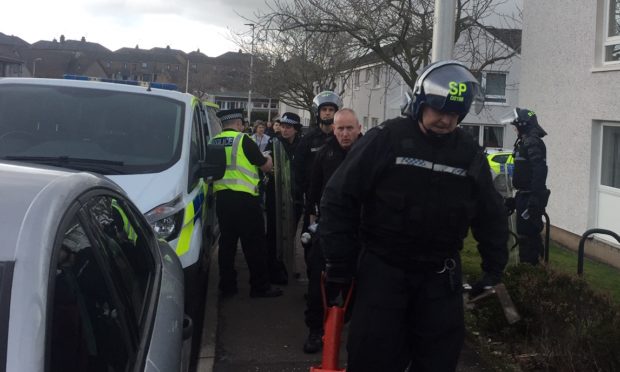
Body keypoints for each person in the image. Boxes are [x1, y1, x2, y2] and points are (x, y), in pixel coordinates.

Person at [319, 60, 509, 371]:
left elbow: (490, 213)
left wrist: (493, 268)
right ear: (421, 103)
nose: (446, 120)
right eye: (439, 110)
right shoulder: (386, 139)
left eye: (454, 114)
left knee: (439, 359)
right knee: (374, 357)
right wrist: (339, 264)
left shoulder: (468, 153)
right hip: (384, 271)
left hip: (438, 277)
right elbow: (339, 198)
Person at [303, 108, 362, 353]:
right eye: (340, 129)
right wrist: (310, 222)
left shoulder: (370, 152)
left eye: (350, 128)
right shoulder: (325, 153)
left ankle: (350, 325)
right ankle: (316, 330)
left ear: (358, 128)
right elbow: (314, 188)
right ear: (334, 129)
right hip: (329, 229)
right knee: (319, 285)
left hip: (361, 230)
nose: (345, 134)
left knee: (359, 286)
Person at [210, 108, 283, 298]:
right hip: (245, 201)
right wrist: (268, 158)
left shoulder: (213, 142)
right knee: (254, 245)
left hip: (223, 200)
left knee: (227, 245)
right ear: (238, 124)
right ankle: (260, 287)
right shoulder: (243, 140)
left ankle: (227, 287)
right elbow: (264, 166)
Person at [294, 91, 342, 258]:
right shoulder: (308, 138)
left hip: (338, 200)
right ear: (318, 112)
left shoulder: (342, 137)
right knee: (309, 239)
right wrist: (300, 194)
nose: (328, 112)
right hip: (313, 200)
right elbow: (298, 168)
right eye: (324, 109)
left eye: (331, 109)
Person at [502, 108, 550, 265]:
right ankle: (526, 270)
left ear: (523, 125)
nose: (515, 129)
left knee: (528, 236)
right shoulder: (524, 142)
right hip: (524, 195)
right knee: (523, 234)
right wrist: (515, 200)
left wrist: (535, 198)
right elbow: (526, 174)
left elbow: (539, 169)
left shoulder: (532, 142)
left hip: (530, 197)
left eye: (516, 126)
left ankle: (530, 272)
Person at [264, 112, 303, 285]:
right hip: (276, 195)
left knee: (290, 233)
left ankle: (287, 266)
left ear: (296, 129)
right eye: (283, 126)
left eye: (289, 127)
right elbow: (265, 162)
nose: (285, 130)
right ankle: (273, 270)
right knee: (274, 234)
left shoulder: (302, 145)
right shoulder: (274, 143)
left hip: (295, 196)